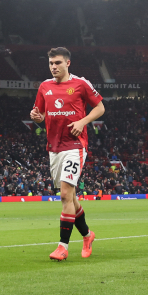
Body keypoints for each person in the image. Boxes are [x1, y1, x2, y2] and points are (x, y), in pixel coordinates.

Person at [29, 47, 105, 261]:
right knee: (70, 197)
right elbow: (40, 114)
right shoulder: (44, 86)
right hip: (54, 148)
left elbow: (100, 107)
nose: (54, 67)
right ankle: (88, 235)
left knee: (64, 194)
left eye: (58, 63)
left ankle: (62, 247)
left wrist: (82, 121)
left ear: (68, 63)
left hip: (75, 146)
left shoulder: (81, 84)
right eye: (51, 63)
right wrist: (36, 117)